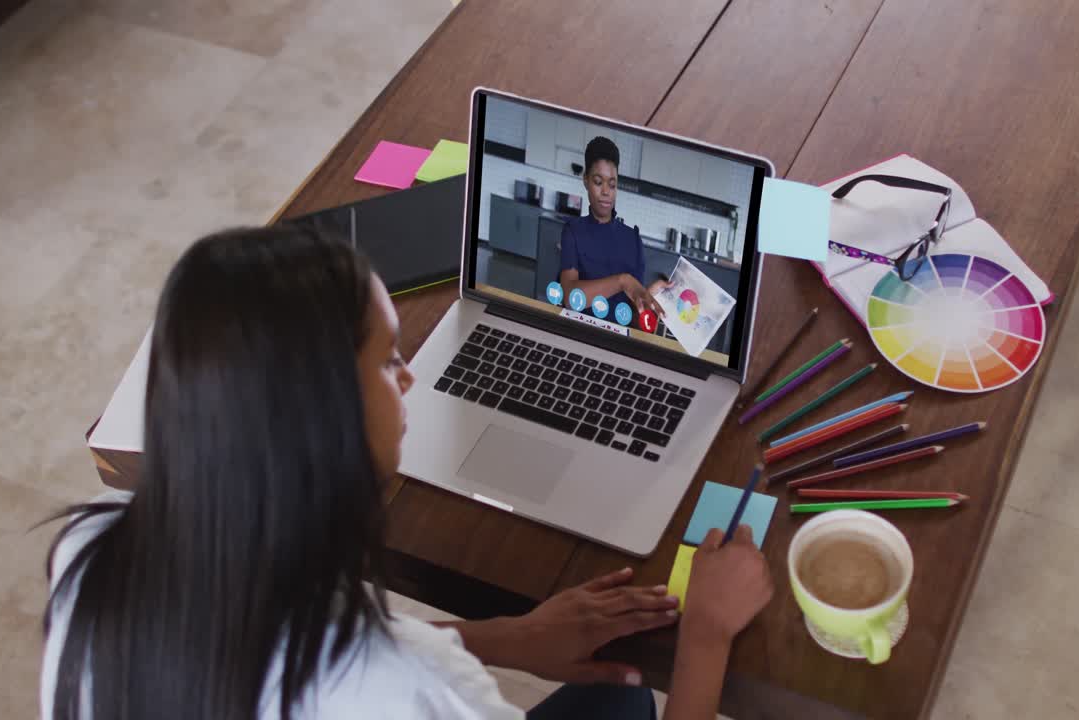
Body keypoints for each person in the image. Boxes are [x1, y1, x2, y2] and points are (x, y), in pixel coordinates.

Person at [40, 226, 773, 720]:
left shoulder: (91, 555)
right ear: (328, 423)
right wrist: (705, 634)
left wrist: (505, 638)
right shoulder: (413, 691)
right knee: (630, 696)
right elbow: (385, 673)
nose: (412, 379)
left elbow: (287, 648)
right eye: (390, 361)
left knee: (615, 699)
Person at [559, 137, 669, 320]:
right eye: (597, 182)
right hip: (578, 333)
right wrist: (622, 281)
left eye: (612, 184)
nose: (606, 192)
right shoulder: (573, 231)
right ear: (585, 181)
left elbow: (633, 319)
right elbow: (571, 298)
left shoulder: (632, 239)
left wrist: (648, 295)